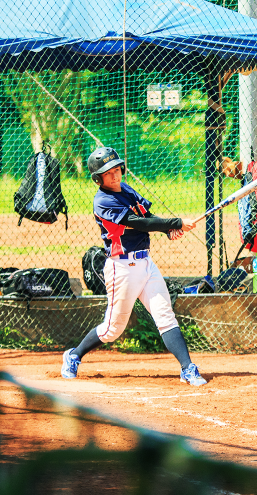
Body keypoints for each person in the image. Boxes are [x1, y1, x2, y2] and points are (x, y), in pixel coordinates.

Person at [62, 146, 208, 386]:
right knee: (112, 330)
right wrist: (176, 222)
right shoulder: (103, 201)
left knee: (165, 316)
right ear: (98, 179)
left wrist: (169, 230)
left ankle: (187, 368)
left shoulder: (126, 189)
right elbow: (138, 223)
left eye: (117, 169)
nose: (115, 175)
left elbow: (147, 215)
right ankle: (74, 355)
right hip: (122, 269)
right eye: (108, 173)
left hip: (146, 264)